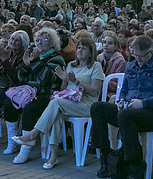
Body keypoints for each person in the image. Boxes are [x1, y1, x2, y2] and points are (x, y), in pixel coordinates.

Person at [13, 37, 104, 169]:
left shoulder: (96, 66)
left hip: (87, 105)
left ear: (91, 52)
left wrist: (77, 82)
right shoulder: (71, 65)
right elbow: (63, 90)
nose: (79, 50)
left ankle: (33, 134)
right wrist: (64, 81)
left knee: (56, 103)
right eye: (78, 47)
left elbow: (95, 92)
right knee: (56, 114)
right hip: (69, 102)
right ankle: (53, 156)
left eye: (84, 48)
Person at [92, 35, 153, 179]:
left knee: (125, 115)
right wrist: (121, 100)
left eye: (142, 56)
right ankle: (106, 156)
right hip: (129, 110)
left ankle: (133, 164)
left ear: (151, 51)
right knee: (97, 108)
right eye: (135, 55)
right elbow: (125, 90)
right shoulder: (131, 66)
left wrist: (144, 103)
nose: (139, 59)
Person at [6, 27, 65, 165]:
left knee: (30, 109)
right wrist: (26, 66)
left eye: (44, 40)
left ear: (51, 43)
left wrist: (35, 62)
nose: (39, 42)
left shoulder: (57, 58)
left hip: (46, 95)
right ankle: (12, 141)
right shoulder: (33, 56)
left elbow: (48, 78)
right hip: (28, 92)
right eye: (37, 40)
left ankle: (25, 149)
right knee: (9, 103)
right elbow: (20, 79)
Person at [97, 30, 126, 101]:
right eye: (104, 42)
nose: (106, 45)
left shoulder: (120, 61)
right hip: (98, 90)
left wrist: (102, 80)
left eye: (110, 43)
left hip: (111, 93)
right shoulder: (98, 57)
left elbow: (116, 85)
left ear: (116, 46)